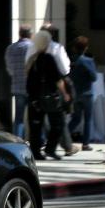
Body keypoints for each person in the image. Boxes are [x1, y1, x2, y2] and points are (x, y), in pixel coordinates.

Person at [26, 23, 78, 156]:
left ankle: (36, 151)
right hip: (50, 95)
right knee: (58, 123)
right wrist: (65, 94)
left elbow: (28, 77)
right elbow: (59, 76)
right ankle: (50, 149)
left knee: (36, 127)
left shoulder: (32, 57)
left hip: (34, 96)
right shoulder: (50, 57)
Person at [68, 36, 98, 151]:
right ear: (85, 48)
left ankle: (62, 136)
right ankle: (85, 144)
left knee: (76, 118)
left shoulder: (72, 61)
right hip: (87, 93)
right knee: (88, 119)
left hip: (76, 93)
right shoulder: (88, 61)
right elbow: (94, 77)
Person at [5, 24, 32, 138]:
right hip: (32, 86)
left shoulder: (10, 48)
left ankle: (18, 140)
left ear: (19, 34)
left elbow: (10, 69)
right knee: (33, 116)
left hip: (17, 86)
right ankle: (36, 139)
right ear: (30, 34)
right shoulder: (33, 47)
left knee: (19, 117)